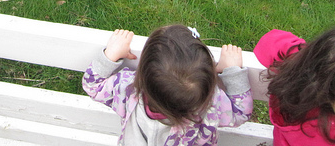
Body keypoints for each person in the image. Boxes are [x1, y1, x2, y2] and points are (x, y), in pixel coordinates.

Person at [82, 25, 253, 145]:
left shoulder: (127, 88)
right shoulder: (212, 104)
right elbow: (241, 113)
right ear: (210, 75)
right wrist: (232, 71)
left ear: (142, 69)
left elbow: (92, 84)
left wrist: (111, 54)